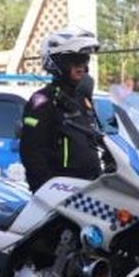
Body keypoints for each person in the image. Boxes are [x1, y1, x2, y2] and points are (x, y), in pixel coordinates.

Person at [19, 26, 103, 192]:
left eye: (84, 59)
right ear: (57, 62)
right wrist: (45, 190)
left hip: (91, 186)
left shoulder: (83, 98)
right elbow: (31, 151)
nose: (81, 66)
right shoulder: (42, 100)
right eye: (74, 60)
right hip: (62, 191)